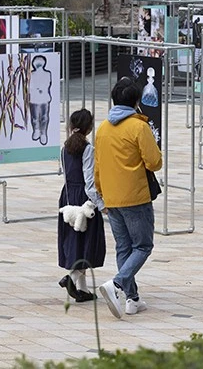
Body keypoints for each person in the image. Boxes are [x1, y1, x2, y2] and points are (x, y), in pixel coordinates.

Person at [95, 77, 163, 319]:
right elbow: (155, 162)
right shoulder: (138, 127)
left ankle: (132, 299)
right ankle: (117, 284)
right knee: (143, 246)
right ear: (136, 101)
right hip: (135, 197)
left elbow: (97, 166)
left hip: (111, 198)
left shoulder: (103, 128)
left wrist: (102, 195)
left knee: (123, 248)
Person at [58, 108, 106, 303]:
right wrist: (101, 204)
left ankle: (83, 290)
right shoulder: (88, 149)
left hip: (68, 196)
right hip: (84, 199)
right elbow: (89, 181)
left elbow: (65, 174)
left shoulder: (64, 149)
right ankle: (73, 278)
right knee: (88, 242)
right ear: (89, 127)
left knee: (75, 241)